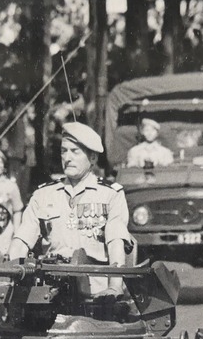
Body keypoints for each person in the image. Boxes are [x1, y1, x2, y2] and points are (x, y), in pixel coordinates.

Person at [8, 121, 135, 296]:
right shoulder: (43, 194)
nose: (67, 158)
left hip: (96, 292)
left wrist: (114, 287)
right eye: (63, 151)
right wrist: (11, 280)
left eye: (75, 152)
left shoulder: (110, 195)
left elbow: (116, 244)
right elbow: (21, 241)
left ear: (92, 158)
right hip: (50, 290)